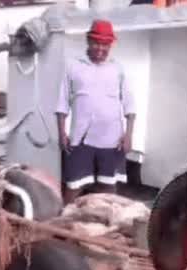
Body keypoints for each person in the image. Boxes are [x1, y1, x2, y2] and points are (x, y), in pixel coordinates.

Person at [55, 20, 138, 204]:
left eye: (105, 44)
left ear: (110, 45)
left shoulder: (118, 68)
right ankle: (60, 227)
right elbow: (62, 103)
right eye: (96, 43)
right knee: (73, 186)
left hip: (112, 140)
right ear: (88, 41)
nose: (100, 48)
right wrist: (61, 132)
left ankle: (105, 228)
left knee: (108, 189)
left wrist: (129, 135)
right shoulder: (73, 66)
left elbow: (130, 105)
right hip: (80, 138)